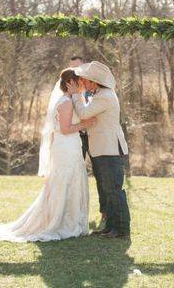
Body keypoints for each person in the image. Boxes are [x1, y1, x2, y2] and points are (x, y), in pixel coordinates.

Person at [0, 69, 96, 242]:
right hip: (66, 146)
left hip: (70, 146)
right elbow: (65, 129)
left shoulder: (70, 100)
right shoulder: (66, 103)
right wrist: (86, 123)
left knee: (72, 179)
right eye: (79, 82)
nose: (82, 85)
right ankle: (61, 222)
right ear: (71, 83)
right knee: (64, 181)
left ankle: (71, 221)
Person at [69, 61, 130, 239]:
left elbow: (83, 113)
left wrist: (75, 95)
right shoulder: (100, 94)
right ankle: (111, 227)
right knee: (107, 190)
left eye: (86, 81)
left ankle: (122, 229)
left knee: (114, 190)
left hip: (109, 150)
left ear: (94, 82)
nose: (83, 84)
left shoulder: (105, 96)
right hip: (103, 149)